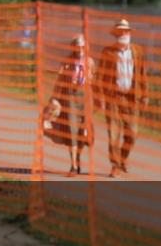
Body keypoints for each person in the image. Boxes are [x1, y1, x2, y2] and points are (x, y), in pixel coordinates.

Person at [98, 19, 149, 177]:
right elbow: (100, 75)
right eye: (119, 32)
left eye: (125, 31)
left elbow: (142, 74)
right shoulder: (108, 52)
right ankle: (115, 165)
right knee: (114, 135)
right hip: (113, 98)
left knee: (132, 134)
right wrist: (100, 96)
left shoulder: (137, 51)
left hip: (131, 99)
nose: (123, 34)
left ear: (129, 33)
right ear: (116, 35)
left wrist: (145, 94)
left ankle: (123, 159)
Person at [45, 34, 96, 176]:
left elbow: (94, 81)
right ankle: (73, 165)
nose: (79, 49)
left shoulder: (90, 62)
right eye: (77, 46)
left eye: (82, 46)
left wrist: (98, 101)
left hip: (86, 97)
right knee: (72, 131)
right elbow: (60, 81)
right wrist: (54, 98)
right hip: (71, 97)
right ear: (73, 47)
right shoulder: (67, 62)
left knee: (83, 132)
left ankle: (78, 159)